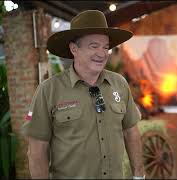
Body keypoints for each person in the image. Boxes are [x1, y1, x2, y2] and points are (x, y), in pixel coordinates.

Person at [22, 10, 145, 179]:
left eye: (105, 47)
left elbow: (131, 132)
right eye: (94, 46)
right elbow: (37, 150)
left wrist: (139, 176)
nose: (102, 54)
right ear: (74, 49)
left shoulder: (119, 84)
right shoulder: (49, 90)